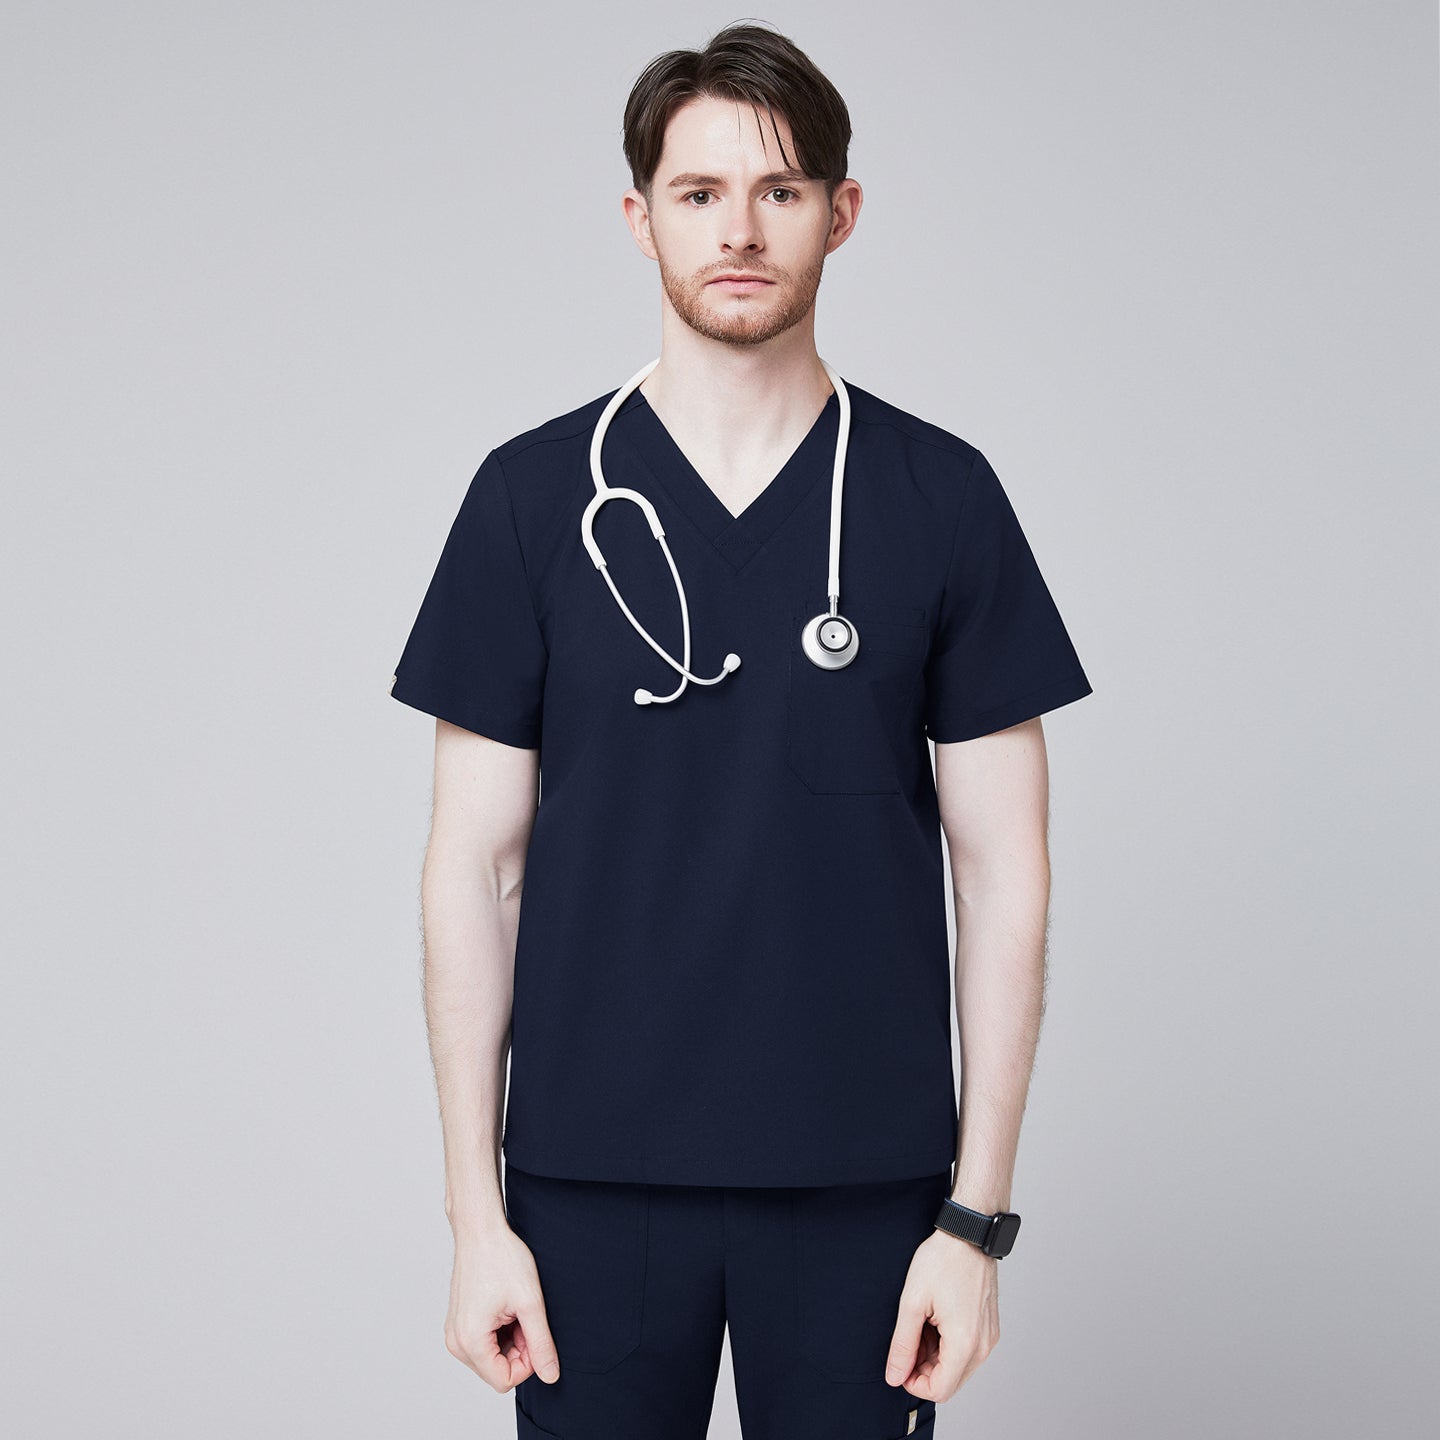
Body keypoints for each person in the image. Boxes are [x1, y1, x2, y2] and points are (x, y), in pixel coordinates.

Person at [388, 20, 1093, 1440]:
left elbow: (1006, 877)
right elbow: (474, 873)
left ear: (841, 213)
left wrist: (974, 1219)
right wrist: (477, 1217)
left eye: (780, 191)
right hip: (589, 1191)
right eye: (701, 193)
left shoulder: (940, 498)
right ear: (640, 218)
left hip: (865, 1195)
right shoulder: (531, 501)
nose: (741, 230)